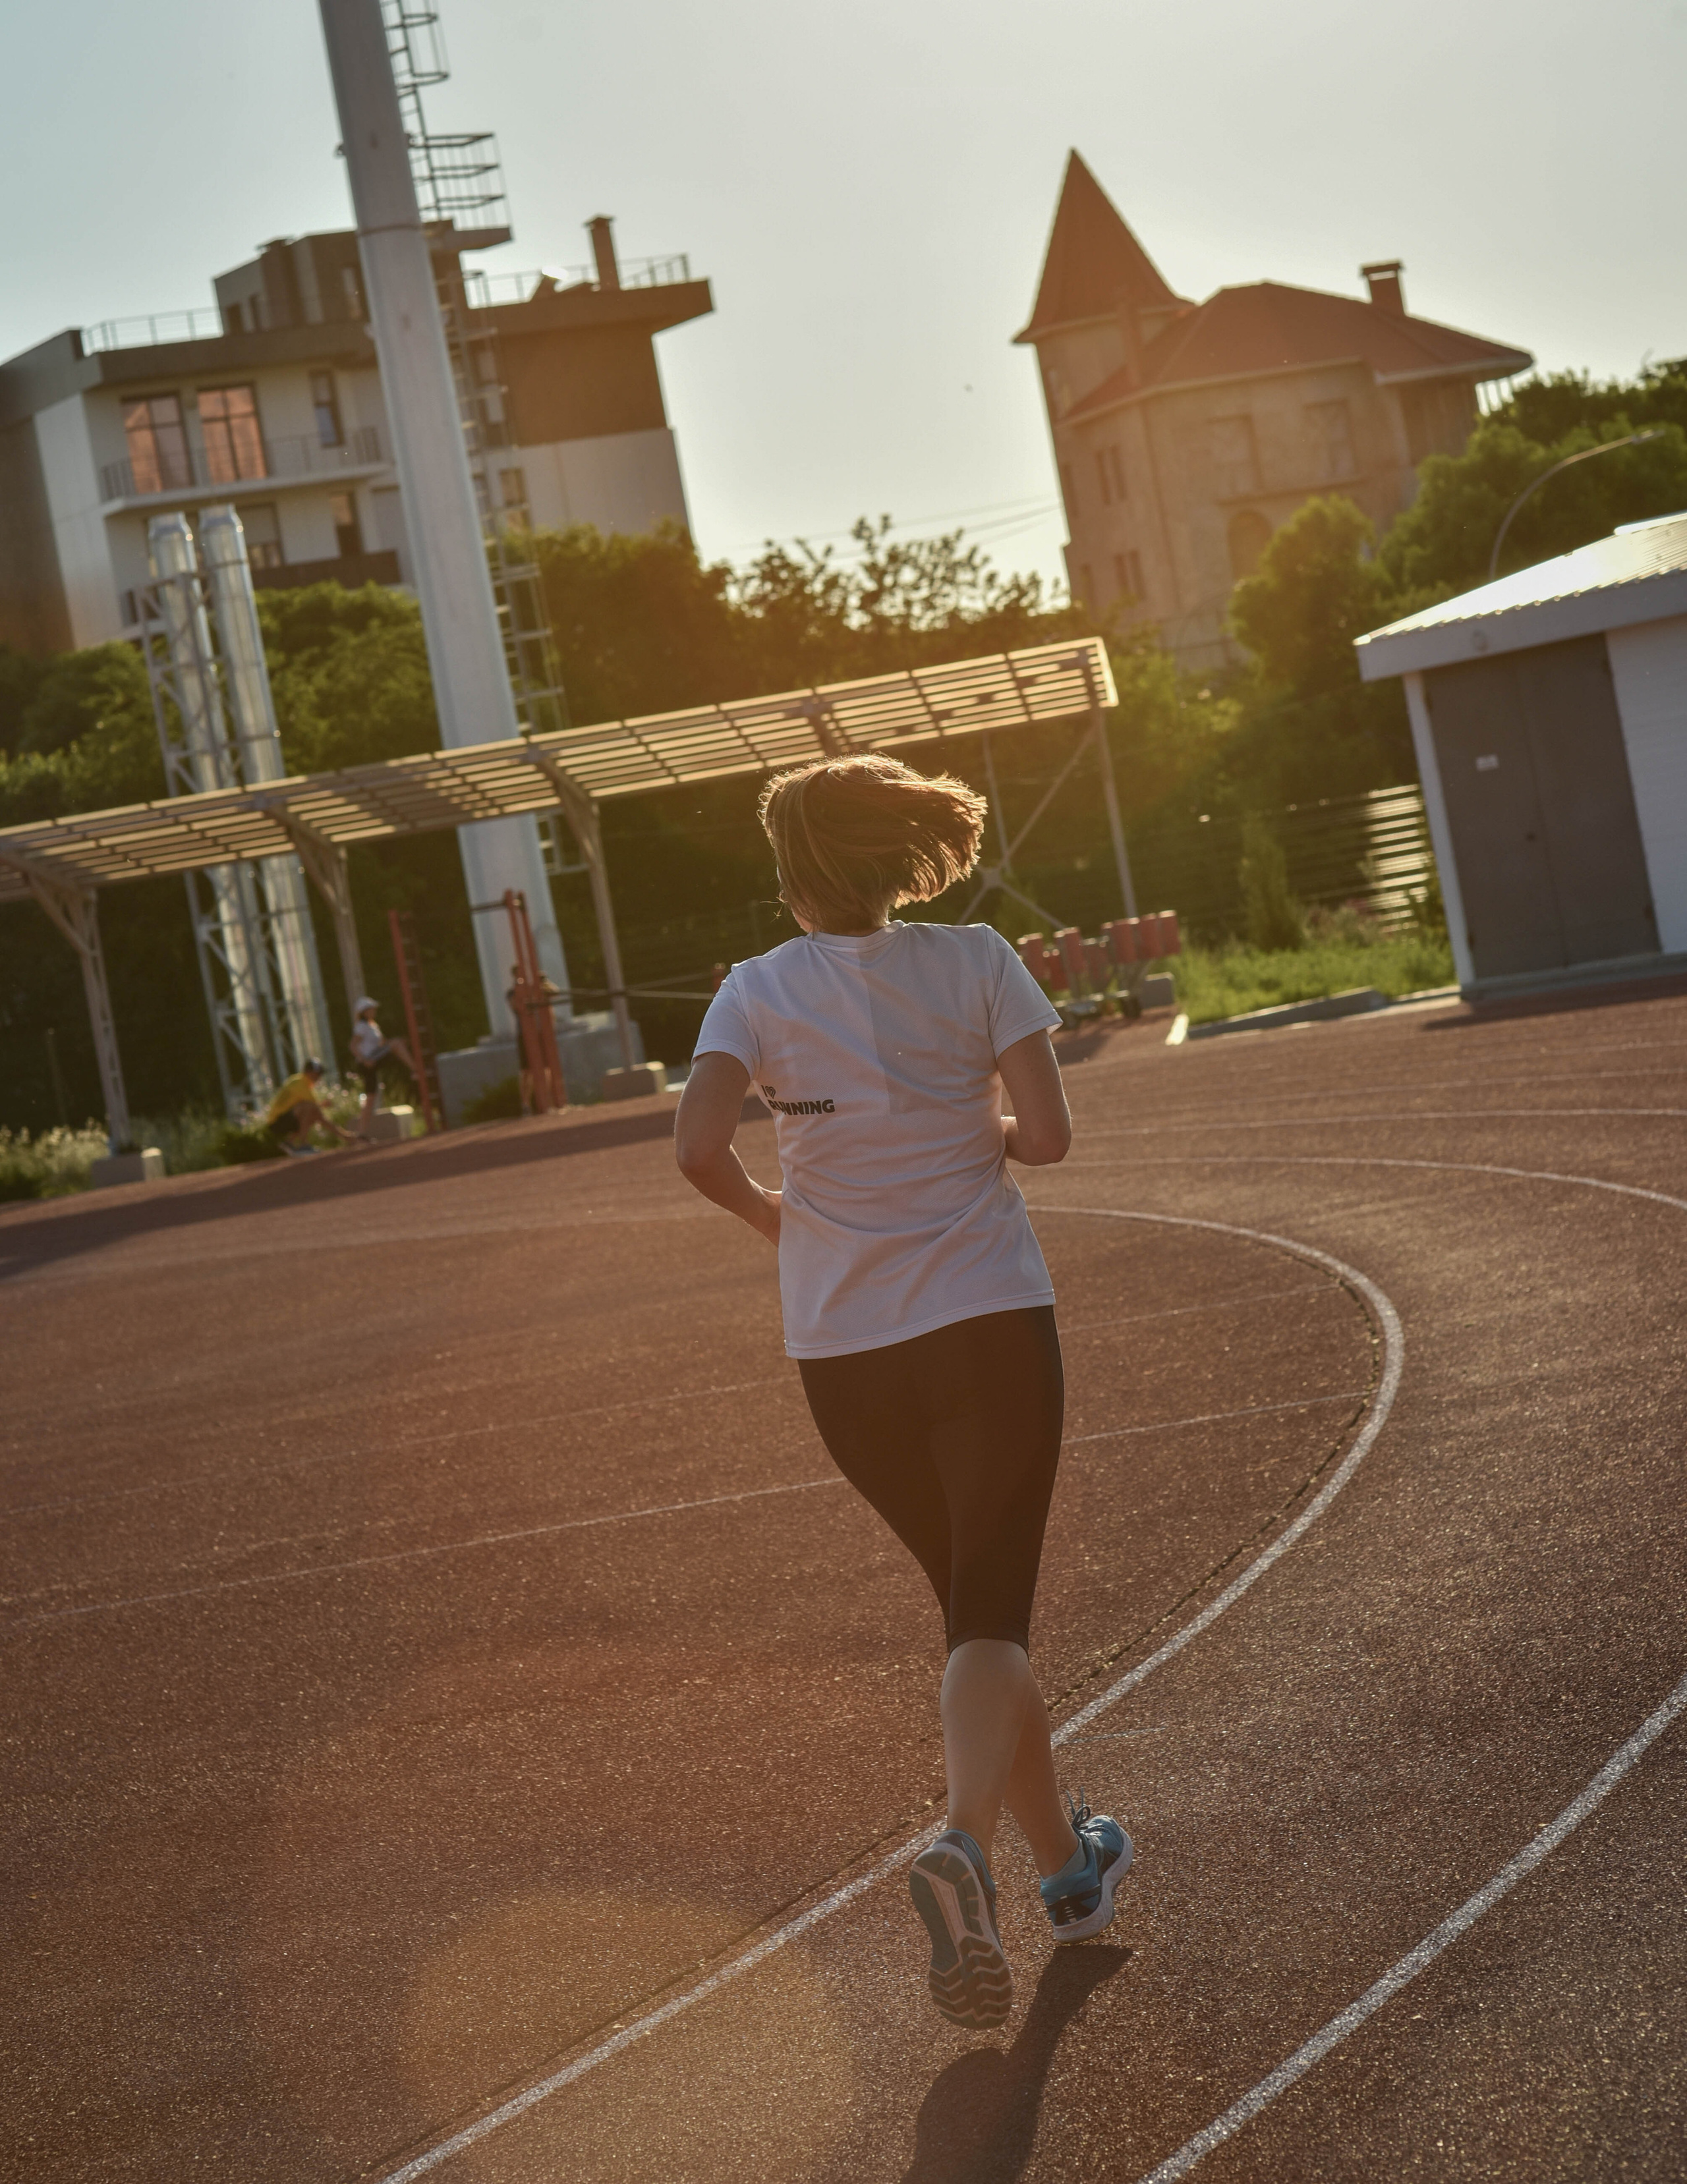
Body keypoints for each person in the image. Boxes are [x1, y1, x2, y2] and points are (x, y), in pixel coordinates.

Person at [674, 753, 1131, 2032]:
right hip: (983, 1318)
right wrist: (965, 1127)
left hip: (841, 1351)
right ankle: (959, 1849)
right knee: (987, 1616)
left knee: (977, 1618)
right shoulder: (980, 955)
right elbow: (1042, 1140)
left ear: (792, 876)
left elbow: (696, 1147)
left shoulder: (751, 990)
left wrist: (783, 1220)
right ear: (894, 853)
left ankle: (1067, 1872)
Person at [349, 997, 418, 1137]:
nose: (374, 1011)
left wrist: (397, 1043)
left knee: (370, 1098)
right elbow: (353, 1046)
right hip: (369, 1062)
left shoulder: (372, 1025)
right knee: (370, 1097)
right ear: (364, 1012)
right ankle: (415, 1069)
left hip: (374, 1059)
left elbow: (382, 1044)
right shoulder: (362, 1026)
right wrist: (365, 1060)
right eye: (370, 1009)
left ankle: (361, 1133)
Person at [263, 1058, 355, 1155]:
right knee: (310, 1108)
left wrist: (345, 1135)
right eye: (318, 1074)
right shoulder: (299, 1083)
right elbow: (313, 1107)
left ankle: (290, 1143)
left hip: (282, 1120)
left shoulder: (303, 1082)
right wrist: (323, 1105)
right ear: (309, 1072)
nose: (319, 1077)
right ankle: (303, 1145)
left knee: (313, 1113)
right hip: (276, 1122)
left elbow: (319, 1117)